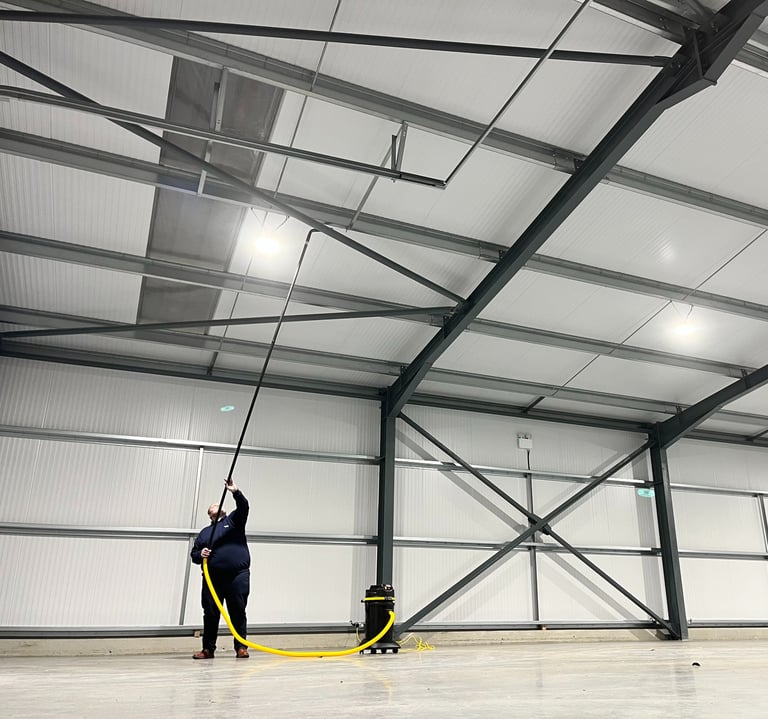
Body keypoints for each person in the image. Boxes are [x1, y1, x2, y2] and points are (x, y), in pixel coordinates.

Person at [190, 478, 250, 659]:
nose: (218, 504)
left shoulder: (233, 521)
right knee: (210, 613)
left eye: (219, 503)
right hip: (213, 579)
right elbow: (194, 554)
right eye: (214, 505)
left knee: (238, 611)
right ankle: (208, 649)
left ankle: (241, 647)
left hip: (237, 577)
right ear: (210, 514)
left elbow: (244, 507)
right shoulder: (204, 533)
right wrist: (201, 554)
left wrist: (235, 491)